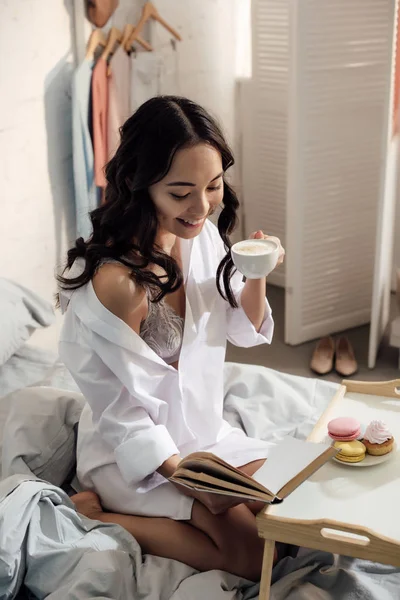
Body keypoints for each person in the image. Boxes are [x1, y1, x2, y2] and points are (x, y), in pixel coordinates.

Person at [58, 96, 285, 581]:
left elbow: (243, 330)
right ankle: (99, 517)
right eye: (181, 192)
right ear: (140, 188)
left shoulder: (198, 234)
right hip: (138, 456)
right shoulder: (115, 284)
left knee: (287, 519)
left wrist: (257, 270)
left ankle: (207, 496)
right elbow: (123, 415)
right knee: (250, 560)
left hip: (203, 435)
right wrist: (192, 481)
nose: (201, 207)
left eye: (213, 185)